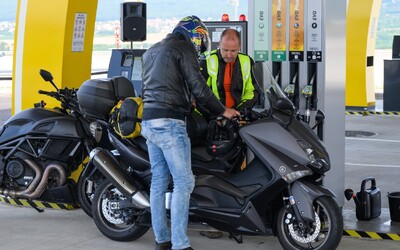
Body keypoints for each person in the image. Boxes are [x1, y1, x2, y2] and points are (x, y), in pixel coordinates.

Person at [140, 15, 240, 250]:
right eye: (200, 39)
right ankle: (180, 244)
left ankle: (162, 240)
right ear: (194, 34)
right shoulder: (183, 47)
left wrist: (188, 100)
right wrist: (222, 110)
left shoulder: (151, 51)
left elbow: (152, 88)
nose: (200, 45)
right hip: (170, 124)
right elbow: (199, 85)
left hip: (149, 122)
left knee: (158, 182)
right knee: (184, 182)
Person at [199, 29, 259, 116]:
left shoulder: (247, 61)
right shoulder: (207, 60)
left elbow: (252, 91)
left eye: (233, 51)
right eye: (225, 50)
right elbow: (201, 93)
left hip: (238, 114)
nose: (229, 55)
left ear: (239, 47)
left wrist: (239, 113)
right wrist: (219, 114)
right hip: (212, 115)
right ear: (219, 45)